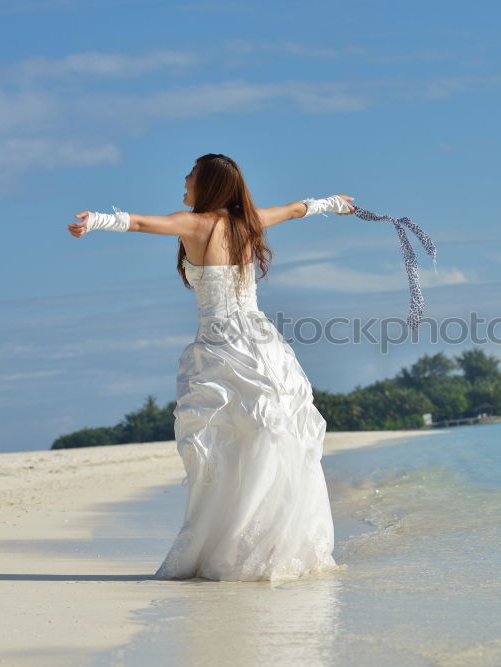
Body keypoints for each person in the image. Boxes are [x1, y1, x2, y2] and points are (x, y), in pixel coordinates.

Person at [67, 153, 355, 581]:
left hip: (221, 346)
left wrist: (96, 221)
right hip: (262, 345)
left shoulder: (194, 224)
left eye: (191, 175)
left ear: (209, 186)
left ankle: (236, 543)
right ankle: (272, 542)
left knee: (228, 444)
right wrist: (335, 203)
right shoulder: (249, 222)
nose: (184, 181)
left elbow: (143, 224)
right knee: (273, 435)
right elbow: (297, 210)